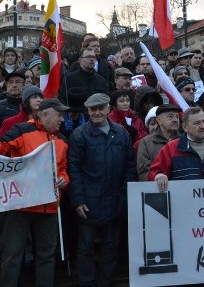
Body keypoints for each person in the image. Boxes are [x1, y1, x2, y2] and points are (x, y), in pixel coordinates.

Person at [0, 99, 69, 287]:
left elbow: (63, 169)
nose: (62, 119)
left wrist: (64, 180)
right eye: (58, 115)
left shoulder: (62, 140)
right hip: (21, 204)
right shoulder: (22, 130)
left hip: (49, 206)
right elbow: (2, 145)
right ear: (44, 115)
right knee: (13, 255)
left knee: (46, 256)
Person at [68, 93, 136, 287]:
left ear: (108, 109)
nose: (97, 112)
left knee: (111, 247)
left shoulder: (121, 133)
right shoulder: (80, 134)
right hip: (88, 202)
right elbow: (74, 169)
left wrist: (124, 194)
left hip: (115, 200)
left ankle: (105, 282)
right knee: (86, 247)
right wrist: (78, 199)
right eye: (93, 109)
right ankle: (87, 282)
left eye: (101, 108)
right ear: (88, 111)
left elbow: (130, 166)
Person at [148, 106, 204, 190]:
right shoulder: (171, 148)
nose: (203, 126)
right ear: (185, 127)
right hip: (183, 203)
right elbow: (153, 173)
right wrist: (158, 175)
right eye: (197, 123)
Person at [136, 103, 181, 181]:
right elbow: (143, 173)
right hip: (158, 189)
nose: (175, 120)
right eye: (170, 116)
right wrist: (156, 176)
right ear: (159, 120)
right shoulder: (146, 142)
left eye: (177, 117)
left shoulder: (185, 140)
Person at [0, 69, 26, 137]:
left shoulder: (29, 105)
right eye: (10, 82)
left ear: (24, 85)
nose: (14, 85)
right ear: (6, 85)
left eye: (18, 82)